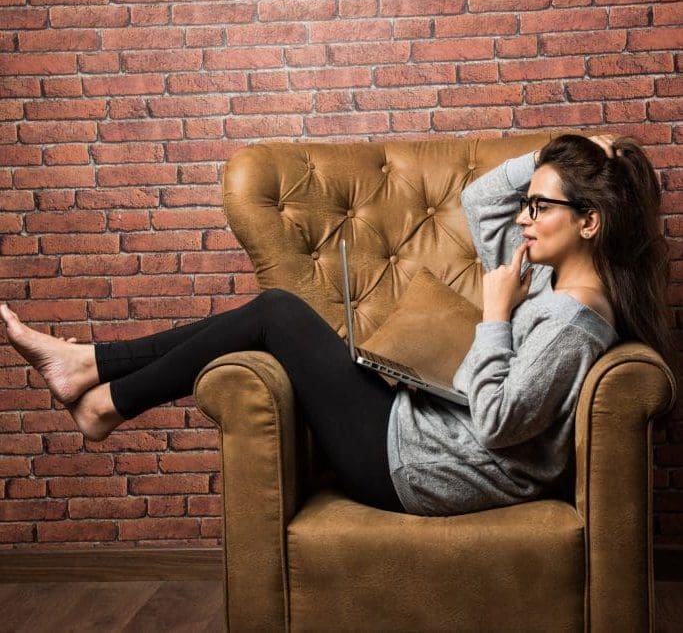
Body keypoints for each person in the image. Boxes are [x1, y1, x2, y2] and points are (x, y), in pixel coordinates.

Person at [1, 133, 675, 516]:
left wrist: (495, 316)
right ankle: (94, 374)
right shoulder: (552, 280)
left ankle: (100, 387)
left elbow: (499, 424)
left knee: (277, 313)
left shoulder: (573, 323)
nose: (523, 217)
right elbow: (479, 199)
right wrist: (557, 159)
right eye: (527, 205)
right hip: (421, 428)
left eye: (542, 207)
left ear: (589, 222)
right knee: (280, 316)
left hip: (417, 465)